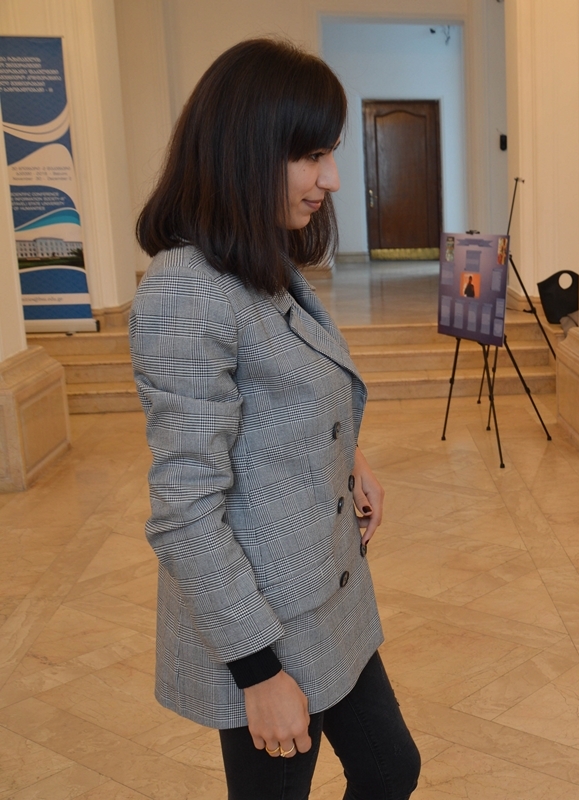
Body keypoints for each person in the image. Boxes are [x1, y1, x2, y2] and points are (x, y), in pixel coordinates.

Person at [129, 39, 420, 799]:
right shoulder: (187, 290)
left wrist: (348, 459)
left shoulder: (260, 264)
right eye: (311, 155)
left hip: (328, 594)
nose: (331, 178)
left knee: (390, 769)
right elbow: (185, 511)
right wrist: (258, 673)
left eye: (330, 153)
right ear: (245, 150)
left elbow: (285, 399)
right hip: (266, 625)